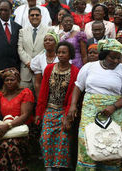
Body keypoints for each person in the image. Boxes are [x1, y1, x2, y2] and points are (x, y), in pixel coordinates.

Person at [68, 38, 122, 170]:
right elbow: (78, 87)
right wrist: (73, 105)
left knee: (110, 146)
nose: (115, 61)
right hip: (90, 113)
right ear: (103, 55)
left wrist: (113, 107)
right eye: (112, 57)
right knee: (87, 142)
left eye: (118, 58)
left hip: (113, 114)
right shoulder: (89, 67)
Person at [35, 41, 79, 170]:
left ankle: (59, 166)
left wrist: (67, 117)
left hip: (64, 111)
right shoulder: (49, 68)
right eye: (58, 52)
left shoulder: (75, 71)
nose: (60, 55)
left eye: (64, 52)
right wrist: (39, 112)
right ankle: (49, 167)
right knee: (45, 138)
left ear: (70, 54)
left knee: (62, 140)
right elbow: (43, 91)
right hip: (49, 109)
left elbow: (72, 96)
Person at [0, 67, 34, 171]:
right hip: (5, 125)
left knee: (8, 142)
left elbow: (25, 115)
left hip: (21, 127)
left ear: (18, 80)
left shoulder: (25, 93)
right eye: (6, 80)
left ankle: (18, 167)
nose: (9, 82)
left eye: (12, 79)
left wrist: (7, 126)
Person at [18, 7, 52, 89]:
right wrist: (28, 62)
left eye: (37, 15)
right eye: (32, 15)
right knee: (25, 98)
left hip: (41, 69)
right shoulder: (22, 31)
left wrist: (34, 63)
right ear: (28, 17)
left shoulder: (49, 30)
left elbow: (47, 48)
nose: (34, 17)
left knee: (40, 99)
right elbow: (20, 49)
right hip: (25, 71)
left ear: (41, 16)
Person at [31, 31, 60, 99]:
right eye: (45, 40)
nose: (47, 42)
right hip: (44, 92)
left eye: (50, 40)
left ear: (56, 43)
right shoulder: (39, 59)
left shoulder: (60, 58)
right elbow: (38, 83)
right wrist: (40, 98)